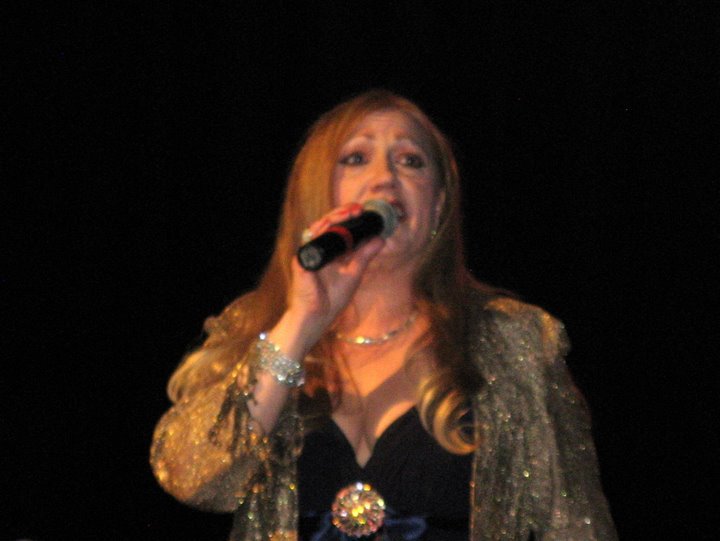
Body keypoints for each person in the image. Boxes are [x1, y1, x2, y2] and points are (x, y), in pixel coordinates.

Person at [150, 90, 617, 541]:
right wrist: (301, 324)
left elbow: (576, 525)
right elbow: (193, 479)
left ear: (437, 204)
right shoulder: (256, 328)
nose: (384, 179)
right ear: (315, 192)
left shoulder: (511, 340)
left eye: (410, 161)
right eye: (355, 158)